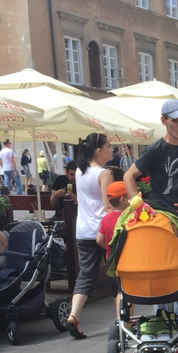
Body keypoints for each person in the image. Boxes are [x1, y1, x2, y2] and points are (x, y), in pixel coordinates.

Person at [123, 98, 178, 241]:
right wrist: (138, 206)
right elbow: (128, 176)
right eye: (175, 121)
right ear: (163, 121)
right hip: (160, 218)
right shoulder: (154, 150)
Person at [66, 133, 113, 338]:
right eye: (109, 146)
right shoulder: (104, 174)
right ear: (99, 150)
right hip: (102, 231)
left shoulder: (79, 171)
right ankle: (124, 320)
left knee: (86, 274)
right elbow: (107, 205)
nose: (112, 150)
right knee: (116, 272)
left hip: (83, 230)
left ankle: (73, 316)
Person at [96, 180, 128, 314]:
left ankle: (120, 321)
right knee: (129, 291)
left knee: (119, 292)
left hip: (113, 262)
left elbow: (99, 240)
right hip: (129, 261)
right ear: (123, 199)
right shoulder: (130, 218)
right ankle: (128, 322)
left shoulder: (106, 219)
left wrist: (111, 247)